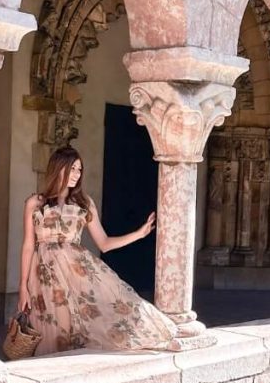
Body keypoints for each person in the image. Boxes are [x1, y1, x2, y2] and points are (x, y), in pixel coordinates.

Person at [18, 146, 181, 355]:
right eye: (72, 168)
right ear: (58, 169)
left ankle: (156, 334)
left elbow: (104, 243)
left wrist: (139, 234)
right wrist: (22, 286)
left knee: (104, 310)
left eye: (79, 170)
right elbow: (28, 245)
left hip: (76, 271)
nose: (76, 175)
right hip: (43, 275)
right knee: (51, 328)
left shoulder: (84, 203)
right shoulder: (35, 203)